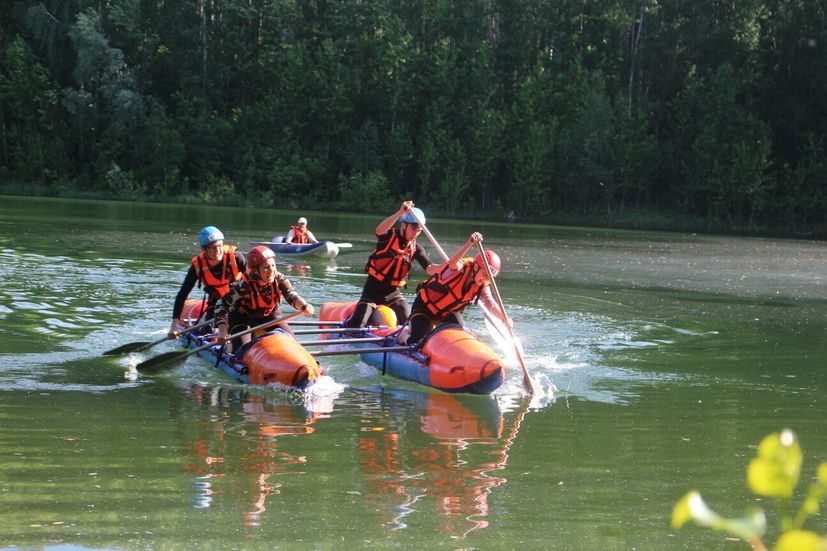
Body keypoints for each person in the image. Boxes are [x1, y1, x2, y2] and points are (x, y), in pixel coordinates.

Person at [345, 200, 438, 328]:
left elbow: (430, 269)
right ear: (404, 225)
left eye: (419, 230)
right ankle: (350, 320)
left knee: (408, 323)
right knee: (358, 324)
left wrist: (450, 265)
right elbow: (379, 230)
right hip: (372, 292)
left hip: (393, 294)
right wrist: (401, 212)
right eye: (414, 228)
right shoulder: (388, 237)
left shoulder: (416, 248)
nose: (416, 233)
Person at [402, 232, 507, 345]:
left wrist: (504, 319)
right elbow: (452, 263)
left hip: (447, 313)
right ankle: (404, 337)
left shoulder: (483, 285)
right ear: (476, 267)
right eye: (485, 274)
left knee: (459, 339)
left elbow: (490, 304)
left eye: (490, 277)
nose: (486, 279)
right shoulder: (460, 268)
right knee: (417, 342)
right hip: (425, 307)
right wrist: (469, 243)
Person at [214, 245, 314, 352]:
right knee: (242, 351)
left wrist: (304, 306)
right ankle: (229, 347)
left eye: (273, 266)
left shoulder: (279, 279)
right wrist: (222, 331)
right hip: (242, 319)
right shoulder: (243, 286)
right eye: (266, 267)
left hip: (268, 316)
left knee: (293, 344)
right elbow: (221, 304)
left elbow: (291, 295)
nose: (271, 271)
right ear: (256, 270)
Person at [168, 226, 246, 338]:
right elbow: (183, 293)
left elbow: (254, 279)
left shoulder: (236, 257)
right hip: (216, 305)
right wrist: (174, 324)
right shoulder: (197, 266)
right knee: (206, 331)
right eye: (213, 248)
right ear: (204, 250)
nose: (218, 251)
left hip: (240, 303)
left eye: (220, 246)